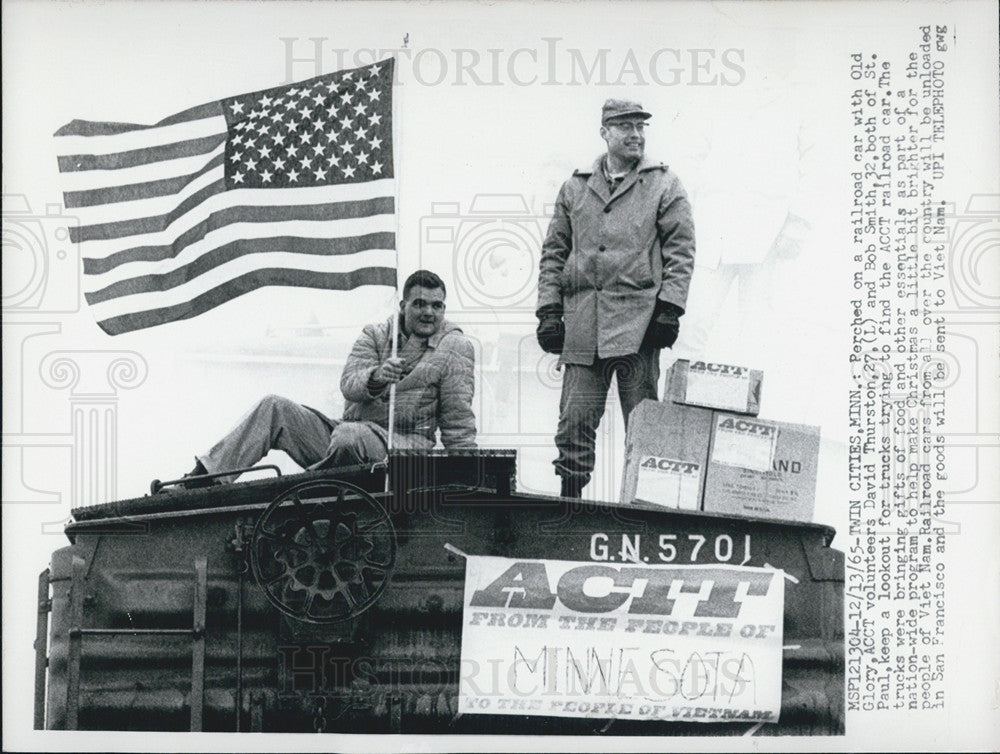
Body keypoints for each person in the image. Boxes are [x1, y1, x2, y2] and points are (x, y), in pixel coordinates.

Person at [535, 99, 696, 499]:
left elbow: (682, 248)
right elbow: (554, 252)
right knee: (573, 421)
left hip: (638, 325)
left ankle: (650, 508)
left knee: (643, 424)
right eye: (625, 127)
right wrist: (549, 311)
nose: (636, 135)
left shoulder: (663, 183)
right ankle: (569, 502)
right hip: (583, 324)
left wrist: (670, 308)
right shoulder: (575, 187)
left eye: (641, 127)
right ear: (605, 132)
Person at [184, 270, 476, 486]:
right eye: (420, 304)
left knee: (350, 437)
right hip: (345, 439)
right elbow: (349, 383)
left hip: (404, 454)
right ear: (403, 306)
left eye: (437, 306)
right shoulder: (375, 334)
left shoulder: (454, 347)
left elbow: (458, 421)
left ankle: (310, 487)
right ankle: (202, 480)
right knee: (273, 407)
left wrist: (470, 478)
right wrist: (376, 376)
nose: (429, 312)